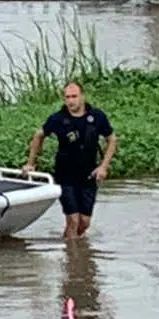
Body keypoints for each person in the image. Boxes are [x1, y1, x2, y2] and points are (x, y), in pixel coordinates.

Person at [21, 81, 117, 240]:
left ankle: (73, 246)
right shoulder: (58, 119)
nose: (71, 101)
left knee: (84, 222)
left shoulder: (97, 116)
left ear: (82, 97)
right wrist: (31, 163)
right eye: (67, 97)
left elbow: (111, 139)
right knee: (73, 219)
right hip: (65, 175)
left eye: (74, 96)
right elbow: (39, 135)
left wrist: (103, 166)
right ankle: (72, 259)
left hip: (89, 174)